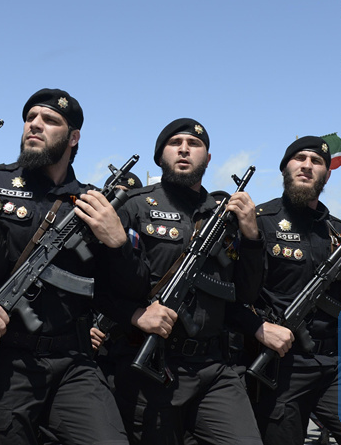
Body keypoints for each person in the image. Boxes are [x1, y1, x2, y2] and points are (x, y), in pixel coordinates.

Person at [0, 88, 129, 445]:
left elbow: (123, 287)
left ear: (73, 137)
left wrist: (119, 244)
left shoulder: (91, 202)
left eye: (50, 120)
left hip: (74, 361)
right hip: (8, 358)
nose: (34, 125)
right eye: (30, 118)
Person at [104, 118, 264, 444]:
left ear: (208, 158)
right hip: (151, 364)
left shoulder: (225, 216)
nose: (184, 149)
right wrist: (135, 315)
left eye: (194, 144)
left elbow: (245, 292)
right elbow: (100, 283)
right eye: (175, 143)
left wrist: (251, 236)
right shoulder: (135, 207)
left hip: (214, 368)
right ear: (160, 155)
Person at [243, 136, 341, 445]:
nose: (307, 166)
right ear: (285, 168)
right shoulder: (259, 222)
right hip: (281, 364)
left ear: (327, 174)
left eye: (317, 162)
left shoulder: (340, 233)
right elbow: (235, 290)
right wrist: (257, 326)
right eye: (300, 158)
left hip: (336, 366)